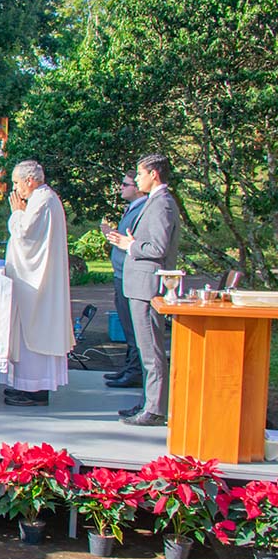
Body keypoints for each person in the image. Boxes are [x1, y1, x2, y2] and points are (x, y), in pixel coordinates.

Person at [107, 154, 181, 426]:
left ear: (154, 174)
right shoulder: (155, 202)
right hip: (139, 284)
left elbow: (159, 248)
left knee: (151, 350)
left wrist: (131, 246)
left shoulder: (163, 204)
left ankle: (155, 409)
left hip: (148, 285)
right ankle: (149, 402)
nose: (137, 180)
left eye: (140, 174)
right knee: (145, 347)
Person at [2, 160, 75, 407]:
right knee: (30, 331)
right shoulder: (45, 199)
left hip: (36, 283)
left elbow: (24, 235)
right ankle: (30, 386)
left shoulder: (41, 201)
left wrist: (16, 214)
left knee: (32, 332)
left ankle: (33, 388)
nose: (15, 188)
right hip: (38, 279)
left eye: (16, 182)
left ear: (30, 181)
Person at [101, 174, 148, 389]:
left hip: (130, 274)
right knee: (128, 324)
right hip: (122, 273)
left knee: (133, 327)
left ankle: (135, 371)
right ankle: (129, 367)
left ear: (138, 188)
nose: (120, 188)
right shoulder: (132, 208)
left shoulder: (143, 209)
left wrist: (122, 241)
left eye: (125, 184)